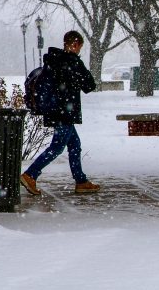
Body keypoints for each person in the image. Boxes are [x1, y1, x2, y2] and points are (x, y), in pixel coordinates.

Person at [20, 31, 100, 195]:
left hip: (54, 110)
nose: (79, 50)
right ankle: (30, 174)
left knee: (75, 145)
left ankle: (81, 181)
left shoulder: (53, 60)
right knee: (56, 147)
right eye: (79, 47)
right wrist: (78, 64)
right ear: (76, 44)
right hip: (65, 113)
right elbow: (90, 85)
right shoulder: (72, 62)